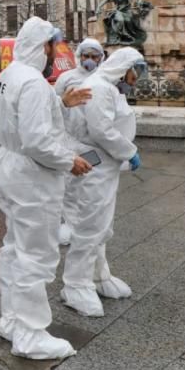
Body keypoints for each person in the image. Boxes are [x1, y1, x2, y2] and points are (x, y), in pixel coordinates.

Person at [0, 16, 93, 360]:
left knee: (14, 248)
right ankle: (31, 335)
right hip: (32, 177)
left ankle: (12, 320)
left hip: (9, 166)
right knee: (36, 255)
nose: (55, 51)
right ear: (43, 45)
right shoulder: (33, 82)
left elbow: (22, 120)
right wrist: (70, 161)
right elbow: (37, 140)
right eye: (53, 44)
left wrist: (61, 102)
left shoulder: (8, 75)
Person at [60, 48, 146, 317]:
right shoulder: (99, 87)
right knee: (89, 227)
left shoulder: (108, 87)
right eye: (137, 71)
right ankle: (75, 284)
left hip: (103, 166)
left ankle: (98, 276)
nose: (137, 78)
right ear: (125, 68)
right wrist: (128, 150)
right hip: (94, 165)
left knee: (100, 226)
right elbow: (101, 130)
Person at [54, 38, 105, 245]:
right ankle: (69, 225)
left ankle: (87, 225)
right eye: (86, 56)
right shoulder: (67, 78)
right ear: (79, 56)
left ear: (100, 58)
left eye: (94, 57)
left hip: (93, 141)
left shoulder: (103, 79)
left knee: (92, 186)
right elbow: (55, 104)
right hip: (69, 138)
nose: (90, 60)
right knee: (69, 186)